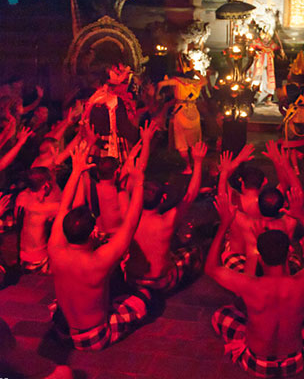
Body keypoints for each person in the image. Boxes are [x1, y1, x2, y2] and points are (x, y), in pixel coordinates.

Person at [206, 186, 304, 378]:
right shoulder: (302, 281)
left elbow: (211, 268)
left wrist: (224, 225)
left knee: (220, 315)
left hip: (257, 363)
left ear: (260, 257)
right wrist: (302, 217)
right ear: (288, 254)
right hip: (296, 361)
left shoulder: (248, 285)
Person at [48, 128, 154, 351]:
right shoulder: (99, 260)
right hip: (95, 335)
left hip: (64, 327)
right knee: (143, 297)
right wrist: (140, 183)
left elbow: (64, 207)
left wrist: (76, 171)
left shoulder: (55, 248)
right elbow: (130, 225)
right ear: (93, 231)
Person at [123, 141, 207, 292]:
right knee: (194, 251)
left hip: (131, 280)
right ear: (162, 199)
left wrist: (131, 160)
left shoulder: (129, 216)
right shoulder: (166, 221)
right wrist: (198, 162)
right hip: (160, 282)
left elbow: (125, 186)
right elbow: (190, 195)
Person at [158, 66, 208, 174]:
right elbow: (205, 80)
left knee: (182, 142)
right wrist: (196, 71)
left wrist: (157, 94)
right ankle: (196, 164)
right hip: (194, 113)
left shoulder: (177, 81)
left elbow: (160, 84)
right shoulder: (197, 83)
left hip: (181, 113)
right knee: (195, 141)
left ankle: (188, 166)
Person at [15, 167, 60, 273]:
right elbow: (67, 203)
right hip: (38, 260)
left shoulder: (21, 197)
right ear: (46, 185)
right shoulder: (46, 208)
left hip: (22, 257)